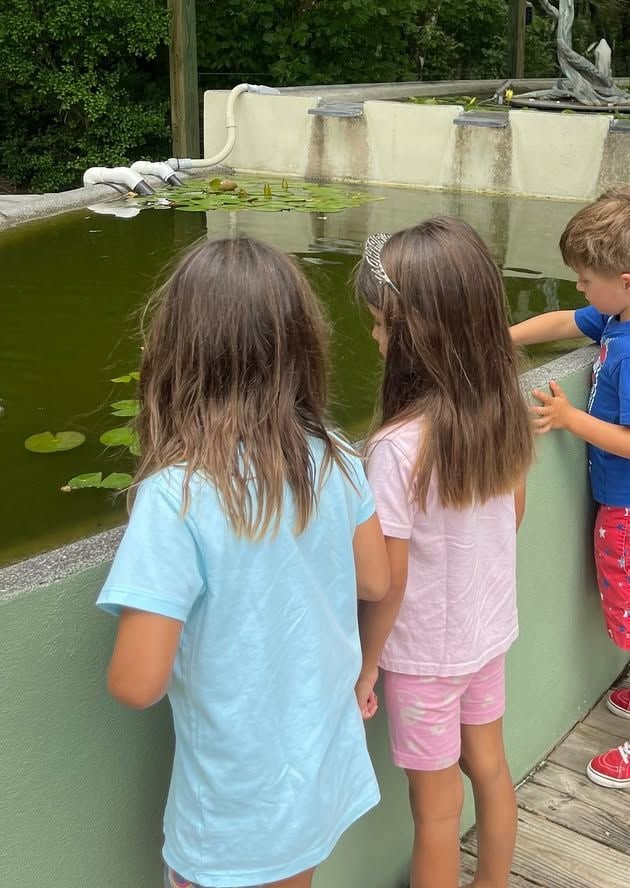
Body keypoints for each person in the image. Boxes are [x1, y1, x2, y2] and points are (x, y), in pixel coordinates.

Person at [97, 236, 390, 888]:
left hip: (229, 812)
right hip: (315, 776)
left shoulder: (175, 496)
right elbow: (376, 580)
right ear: (301, 347)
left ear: (177, 354)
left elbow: (136, 683)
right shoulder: (338, 458)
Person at [354, 217, 532, 888]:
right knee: (490, 767)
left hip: (423, 656)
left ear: (418, 333)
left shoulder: (395, 448)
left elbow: (387, 580)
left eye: (381, 325)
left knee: (434, 809)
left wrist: (366, 665)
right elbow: (514, 514)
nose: (374, 337)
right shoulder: (502, 409)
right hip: (486, 633)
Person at [511, 187, 630, 788]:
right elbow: (567, 321)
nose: (579, 289)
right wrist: (503, 337)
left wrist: (570, 419)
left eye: (586, 281)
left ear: (625, 281)